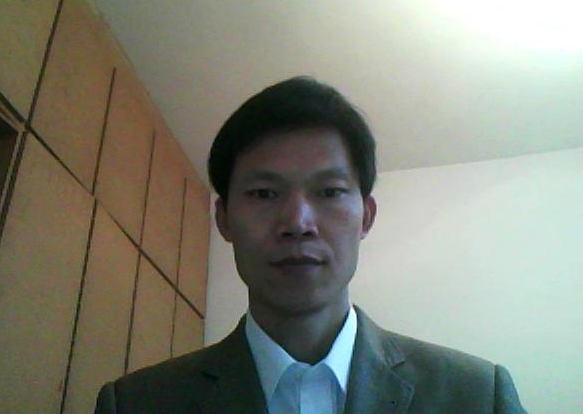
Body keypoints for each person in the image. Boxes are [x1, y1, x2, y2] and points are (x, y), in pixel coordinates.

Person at [95, 77, 527, 413]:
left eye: (329, 192)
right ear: (223, 219)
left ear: (366, 217)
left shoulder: (476, 395)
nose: (297, 223)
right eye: (264, 193)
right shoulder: (137, 404)